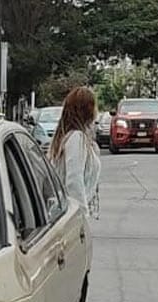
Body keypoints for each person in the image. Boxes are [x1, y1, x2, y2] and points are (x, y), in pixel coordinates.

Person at [49, 86, 101, 219]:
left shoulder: (68, 137)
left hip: (63, 212)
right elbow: (74, 180)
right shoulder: (76, 139)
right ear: (88, 110)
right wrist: (81, 216)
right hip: (70, 215)